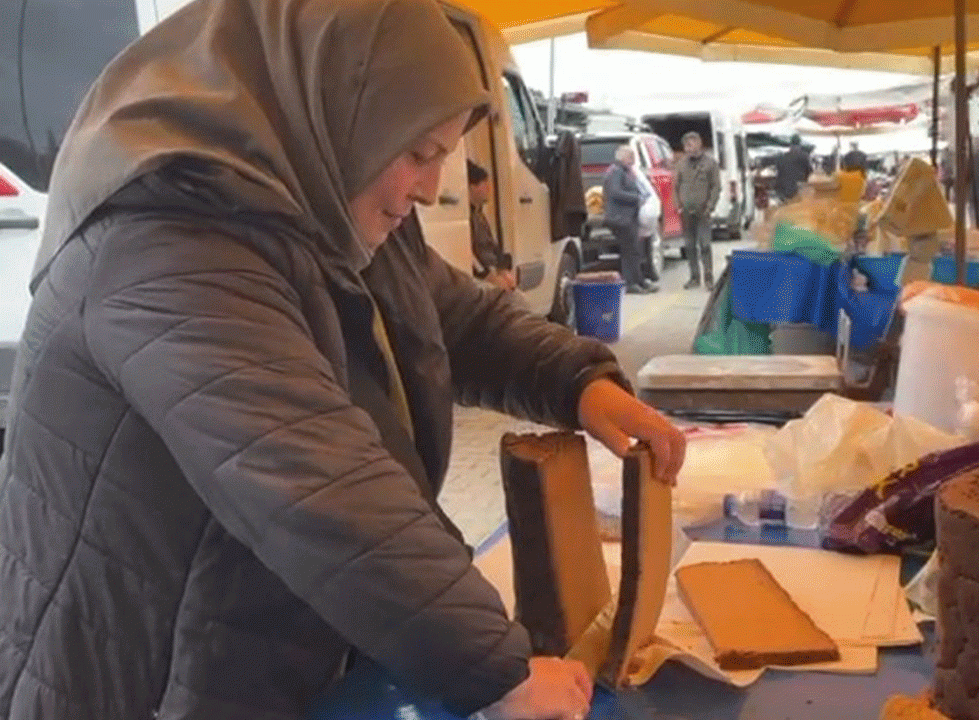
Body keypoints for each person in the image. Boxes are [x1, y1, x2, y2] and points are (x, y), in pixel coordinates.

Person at [0, 2, 688, 720]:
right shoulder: (166, 240)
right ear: (341, 107)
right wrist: (498, 671)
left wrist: (578, 382)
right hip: (141, 676)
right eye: (418, 152)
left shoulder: (318, 197)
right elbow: (318, 480)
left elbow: (457, 320)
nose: (429, 187)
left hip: (249, 647)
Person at [603, 145, 655, 294]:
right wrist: (637, 199)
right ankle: (631, 283)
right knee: (630, 251)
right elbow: (615, 192)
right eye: (631, 157)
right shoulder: (616, 172)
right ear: (623, 158)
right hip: (620, 218)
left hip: (628, 217)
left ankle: (640, 280)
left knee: (635, 250)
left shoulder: (625, 172)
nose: (633, 161)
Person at [674, 131, 720, 289]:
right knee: (689, 245)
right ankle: (694, 277)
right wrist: (678, 206)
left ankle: (709, 278)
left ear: (699, 144)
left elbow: (716, 187)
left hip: (703, 211)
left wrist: (711, 206)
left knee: (705, 245)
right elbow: (675, 187)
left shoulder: (710, 163)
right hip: (686, 211)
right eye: (686, 145)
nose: (688, 148)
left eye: (691, 144)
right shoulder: (680, 164)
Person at [468, 160, 515, 291]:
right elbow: (472, 256)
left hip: (493, 270)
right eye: (485, 184)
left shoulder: (479, 215)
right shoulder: (468, 219)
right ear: (472, 187)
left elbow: (493, 246)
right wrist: (490, 276)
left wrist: (503, 270)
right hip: (485, 276)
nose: (488, 189)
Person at [766, 135, 812, 203]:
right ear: (799, 146)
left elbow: (777, 170)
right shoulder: (804, 156)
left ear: (790, 145)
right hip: (796, 190)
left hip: (781, 189)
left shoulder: (782, 157)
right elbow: (809, 171)